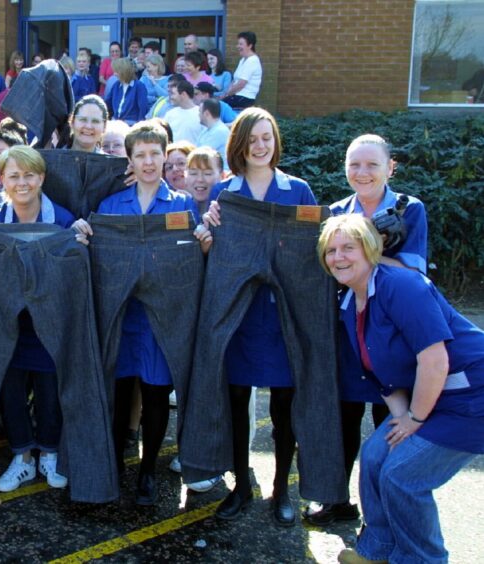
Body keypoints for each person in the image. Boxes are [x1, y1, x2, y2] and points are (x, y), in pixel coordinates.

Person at [316, 215, 483, 564]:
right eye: (331, 250)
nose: (338, 257)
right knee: (376, 456)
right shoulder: (349, 302)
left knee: (403, 475)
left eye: (348, 247)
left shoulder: (403, 286)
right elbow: (379, 373)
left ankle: (423, 559)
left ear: (370, 249)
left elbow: (435, 361)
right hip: (434, 397)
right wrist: (401, 418)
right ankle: (377, 551)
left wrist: (415, 419)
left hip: (472, 397)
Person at [72, 122, 210, 505]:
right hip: (123, 318)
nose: (149, 162)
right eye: (141, 155)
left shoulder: (182, 205)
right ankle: (114, 464)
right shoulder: (113, 204)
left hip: (161, 320)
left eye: (155, 154)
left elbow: (192, 260)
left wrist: (202, 243)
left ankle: (148, 469)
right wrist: (85, 234)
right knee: (117, 392)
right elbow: (97, 252)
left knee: (154, 394)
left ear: (165, 156)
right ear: (130, 160)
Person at [303, 134, 429, 527]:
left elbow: (415, 273)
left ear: (390, 168)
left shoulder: (410, 210)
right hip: (346, 333)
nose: (362, 172)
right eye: (354, 164)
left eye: (372, 164)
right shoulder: (337, 212)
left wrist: (369, 250)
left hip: (392, 336)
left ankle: (388, 508)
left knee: (390, 423)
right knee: (341, 420)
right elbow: (331, 269)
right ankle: (335, 500)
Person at [203, 107, 316, 526]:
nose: (261, 145)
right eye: (252, 139)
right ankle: (240, 487)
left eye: (267, 137)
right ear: (240, 145)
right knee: (236, 402)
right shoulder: (224, 194)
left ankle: (281, 489)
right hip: (241, 318)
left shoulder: (298, 190)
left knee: (285, 407)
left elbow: (312, 251)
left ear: (276, 141)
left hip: (281, 315)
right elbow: (216, 252)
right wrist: (207, 228)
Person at [0, 145, 75, 492]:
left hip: (48, 323)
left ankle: (50, 451)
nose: (22, 182)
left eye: (29, 175)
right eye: (14, 175)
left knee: (48, 391)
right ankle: (23, 456)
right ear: (2, 180)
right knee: (10, 390)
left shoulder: (64, 219)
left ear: (41, 177)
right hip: (7, 324)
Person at [222, 31, 263, 109]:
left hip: (245, 98)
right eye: (238, 44)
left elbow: (241, 84)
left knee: (216, 107)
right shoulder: (243, 60)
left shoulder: (252, 61)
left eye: (241, 44)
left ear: (250, 45)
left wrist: (228, 94)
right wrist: (226, 93)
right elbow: (235, 80)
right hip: (236, 96)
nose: (238, 46)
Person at [107, 58, 149, 125]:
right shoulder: (116, 85)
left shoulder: (139, 86)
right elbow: (107, 103)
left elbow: (143, 108)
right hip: (115, 122)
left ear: (124, 71)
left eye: (116, 71)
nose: (114, 74)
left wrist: (140, 126)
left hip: (131, 124)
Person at [184, 146, 223, 216]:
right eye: (193, 173)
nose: (200, 179)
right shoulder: (178, 207)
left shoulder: (230, 210)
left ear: (222, 176)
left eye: (207, 174)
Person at [196, 99, 230, 170]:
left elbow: (201, 154)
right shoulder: (206, 130)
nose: (198, 115)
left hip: (220, 175)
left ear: (206, 114)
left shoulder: (220, 131)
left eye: (199, 112)